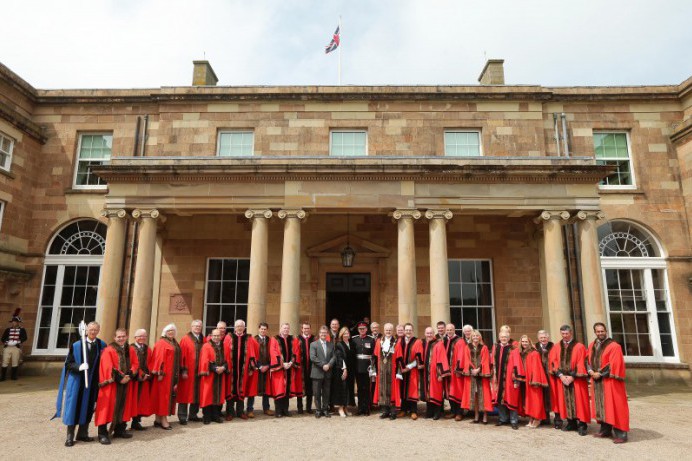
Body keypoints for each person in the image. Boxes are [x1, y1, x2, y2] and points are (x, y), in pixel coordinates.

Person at [54, 321, 106, 447]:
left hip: (93, 382)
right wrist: (79, 366)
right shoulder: (76, 345)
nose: (93, 332)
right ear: (86, 330)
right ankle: (70, 436)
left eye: (95, 330)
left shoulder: (102, 344)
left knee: (88, 407)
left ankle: (83, 433)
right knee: (74, 407)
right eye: (91, 329)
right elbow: (68, 364)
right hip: (78, 381)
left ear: (98, 331)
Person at [94, 328, 138, 444]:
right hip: (112, 385)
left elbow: (135, 363)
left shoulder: (130, 350)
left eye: (123, 336)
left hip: (126, 384)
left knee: (124, 407)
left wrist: (129, 375)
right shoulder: (109, 350)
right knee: (107, 408)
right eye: (119, 337)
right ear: (114, 338)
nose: (121, 338)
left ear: (127, 336)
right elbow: (108, 367)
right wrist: (120, 378)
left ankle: (120, 430)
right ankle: (102, 434)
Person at [588, 322, 630, 444]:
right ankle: (605, 429)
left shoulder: (614, 346)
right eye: (598, 331)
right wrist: (591, 371)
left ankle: (621, 433)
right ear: (595, 332)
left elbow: (614, 364)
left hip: (610, 381)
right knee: (602, 406)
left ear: (606, 331)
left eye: (602, 331)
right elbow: (587, 360)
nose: (600, 333)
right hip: (597, 382)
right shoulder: (592, 345)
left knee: (616, 406)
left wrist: (599, 373)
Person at [548, 324, 591, 436]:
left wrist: (572, 376)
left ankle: (582, 424)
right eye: (563, 334)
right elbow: (553, 361)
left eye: (567, 333)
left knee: (580, 401)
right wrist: (561, 375)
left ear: (571, 333)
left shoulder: (579, 346)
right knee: (564, 401)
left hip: (576, 379)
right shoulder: (557, 347)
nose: (565, 336)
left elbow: (582, 362)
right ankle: (571, 422)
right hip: (562, 379)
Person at [507, 335, 549, 429]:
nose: (524, 343)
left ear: (529, 343)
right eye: (523, 342)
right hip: (524, 380)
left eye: (526, 342)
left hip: (533, 380)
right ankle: (531, 418)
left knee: (535, 400)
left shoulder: (534, 353)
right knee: (528, 401)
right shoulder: (521, 353)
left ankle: (537, 419)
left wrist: (534, 380)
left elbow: (537, 368)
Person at [151, 323, 182, 430]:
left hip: (172, 374)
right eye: (169, 331)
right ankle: (163, 420)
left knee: (165, 396)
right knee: (163, 397)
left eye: (173, 331)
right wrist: (160, 372)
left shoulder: (174, 342)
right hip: (164, 376)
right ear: (165, 332)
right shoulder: (161, 343)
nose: (171, 332)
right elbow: (158, 358)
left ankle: (158, 419)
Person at [460, 330, 493, 424]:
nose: (475, 337)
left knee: (484, 395)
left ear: (480, 337)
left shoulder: (484, 347)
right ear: (471, 337)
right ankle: (476, 415)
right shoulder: (467, 347)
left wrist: (478, 369)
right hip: (471, 375)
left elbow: (485, 360)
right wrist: (472, 369)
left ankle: (485, 416)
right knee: (474, 395)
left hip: (481, 375)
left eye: (477, 336)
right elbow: (466, 359)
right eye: (473, 336)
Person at [199, 329, 231, 424]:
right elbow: (205, 360)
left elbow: (228, 360)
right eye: (215, 336)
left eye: (218, 336)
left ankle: (216, 415)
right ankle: (207, 416)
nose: (216, 337)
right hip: (210, 375)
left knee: (218, 396)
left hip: (220, 375)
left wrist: (224, 367)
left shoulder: (224, 346)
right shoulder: (206, 346)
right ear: (211, 336)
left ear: (221, 336)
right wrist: (215, 368)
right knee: (208, 395)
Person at [228, 319, 258, 420]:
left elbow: (253, 353)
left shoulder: (248, 338)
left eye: (241, 326)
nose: (239, 328)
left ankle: (240, 412)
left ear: (244, 328)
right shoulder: (229, 337)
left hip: (243, 370)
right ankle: (230, 412)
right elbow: (225, 353)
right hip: (231, 370)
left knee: (242, 390)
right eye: (237, 326)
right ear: (234, 327)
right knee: (231, 390)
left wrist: (251, 368)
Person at [269, 322, 299, 417]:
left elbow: (295, 351)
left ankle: (285, 410)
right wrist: (282, 364)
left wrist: (291, 362)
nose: (286, 330)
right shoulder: (275, 339)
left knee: (287, 389)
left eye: (287, 328)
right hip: (279, 370)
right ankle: (278, 411)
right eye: (284, 328)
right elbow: (273, 352)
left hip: (289, 368)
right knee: (279, 390)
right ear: (280, 329)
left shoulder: (292, 339)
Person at [177, 319, 204, 424]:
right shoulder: (185, 339)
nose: (197, 328)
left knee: (197, 393)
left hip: (199, 371)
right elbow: (182, 356)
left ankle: (193, 414)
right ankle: (182, 416)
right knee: (184, 393)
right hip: (188, 371)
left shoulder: (203, 339)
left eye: (199, 326)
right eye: (195, 326)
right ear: (191, 327)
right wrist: (183, 370)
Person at [419, 326, 449, 420]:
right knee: (428, 392)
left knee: (436, 392)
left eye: (431, 333)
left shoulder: (438, 343)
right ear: (425, 334)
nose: (429, 335)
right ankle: (429, 411)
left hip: (435, 373)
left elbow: (442, 358)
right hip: (426, 373)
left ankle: (437, 412)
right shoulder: (423, 343)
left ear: (433, 333)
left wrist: (440, 374)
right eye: (427, 333)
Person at [373, 323, 400, 420]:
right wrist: (374, 370)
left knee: (392, 391)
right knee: (382, 389)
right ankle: (385, 411)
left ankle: (393, 412)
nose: (388, 332)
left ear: (392, 331)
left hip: (392, 371)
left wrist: (398, 372)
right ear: (384, 331)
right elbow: (375, 356)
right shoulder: (379, 342)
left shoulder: (396, 342)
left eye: (390, 330)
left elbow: (399, 358)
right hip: (381, 370)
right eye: (386, 330)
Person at [397, 323, 423, 420]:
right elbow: (398, 355)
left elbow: (419, 357)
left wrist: (409, 366)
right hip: (402, 370)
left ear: (412, 331)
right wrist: (402, 367)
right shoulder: (400, 341)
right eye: (406, 330)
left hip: (412, 370)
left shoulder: (417, 341)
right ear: (404, 331)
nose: (408, 331)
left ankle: (413, 411)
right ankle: (403, 410)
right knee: (403, 389)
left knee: (412, 390)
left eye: (410, 330)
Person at [492, 330, 517, 428]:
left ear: (508, 337)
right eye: (502, 337)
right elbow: (492, 362)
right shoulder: (496, 347)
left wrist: (515, 379)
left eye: (505, 337)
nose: (503, 338)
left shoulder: (513, 349)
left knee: (512, 398)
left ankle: (514, 420)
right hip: (498, 378)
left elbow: (516, 364)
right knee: (499, 399)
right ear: (499, 337)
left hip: (509, 379)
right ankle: (503, 419)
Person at [310, 326, 336, 418]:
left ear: (327, 334)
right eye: (321, 333)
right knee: (316, 393)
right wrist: (323, 365)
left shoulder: (331, 345)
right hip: (317, 372)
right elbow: (313, 357)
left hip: (328, 372)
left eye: (325, 333)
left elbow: (334, 357)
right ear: (319, 334)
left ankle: (325, 410)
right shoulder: (313, 344)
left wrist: (329, 365)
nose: (323, 334)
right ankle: (318, 410)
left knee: (326, 392)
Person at [248, 322, 273, 417]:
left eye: (265, 329)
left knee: (266, 389)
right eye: (261, 329)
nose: (263, 330)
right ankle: (250, 409)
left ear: (267, 330)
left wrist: (268, 366)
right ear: (259, 329)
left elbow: (273, 355)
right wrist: (259, 366)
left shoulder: (270, 340)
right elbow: (252, 354)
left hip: (267, 367)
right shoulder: (253, 340)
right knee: (252, 389)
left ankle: (266, 408)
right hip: (256, 368)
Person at [130, 329, 153, 431]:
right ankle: (123, 424)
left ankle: (136, 422)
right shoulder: (131, 348)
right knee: (132, 401)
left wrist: (148, 374)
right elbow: (132, 364)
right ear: (135, 338)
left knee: (140, 402)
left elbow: (151, 362)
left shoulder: (148, 349)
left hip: (145, 380)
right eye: (139, 336)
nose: (142, 338)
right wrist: (141, 374)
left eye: (144, 336)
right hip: (134, 379)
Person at [352, 320, 375, 416]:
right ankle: (360, 408)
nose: (362, 330)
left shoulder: (371, 339)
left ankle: (367, 408)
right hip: (357, 367)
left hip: (367, 367)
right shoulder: (354, 339)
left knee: (367, 388)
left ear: (366, 329)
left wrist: (372, 366)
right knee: (359, 389)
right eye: (360, 329)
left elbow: (374, 354)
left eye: (363, 329)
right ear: (358, 330)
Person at [536, 329, 558, 427]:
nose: (543, 339)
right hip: (539, 376)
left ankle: (558, 420)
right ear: (538, 338)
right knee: (542, 396)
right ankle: (545, 418)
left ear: (548, 338)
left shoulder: (554, 347)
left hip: (551, 376)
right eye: (541, 337)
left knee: (554, 397)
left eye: (545, 337)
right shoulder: (535, 347)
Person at [441, 323, 463, 420]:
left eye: (451, 330)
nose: (449, 331)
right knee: (449, 391)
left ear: (454, 330)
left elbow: (461, 356)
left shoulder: (459, 340)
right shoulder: (444, 340)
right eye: (448, 330)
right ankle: (453, 411)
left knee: (457, 390)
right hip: (446, 370)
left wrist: (458, 369)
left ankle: (459, 413)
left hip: (455, 370)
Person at [1, 309, 27, 381]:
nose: (14, 323)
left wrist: (19, 341)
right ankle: (3, 377)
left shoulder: (22, 330)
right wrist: (6, 342)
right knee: (5, 361)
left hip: (16, 347)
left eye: (15, 322)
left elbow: (25, 337)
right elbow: (3, 338)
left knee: (15, 361)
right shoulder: (8, 330)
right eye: (13, 322)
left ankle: (13, 376)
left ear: (18, 322)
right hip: (8, 347)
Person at [333, 327, 353, 417]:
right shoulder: (339, 344)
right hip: (342, 370)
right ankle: (340, 408)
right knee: (342, 389)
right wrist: (344, 369)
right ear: (341, 335)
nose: (346, 334)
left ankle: (345, 407)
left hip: (350, 370)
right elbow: (339, 357)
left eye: (347, 333)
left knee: (348, 389)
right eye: (344, 333)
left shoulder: (351, 344)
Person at [296, 322, 316, 414]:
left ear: (310, 329)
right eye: (305, 328)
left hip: (312, 367)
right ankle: (300, 407)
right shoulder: (298, 339)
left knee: (310, 388)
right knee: (300, 387)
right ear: (302, 329)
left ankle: (309, 408)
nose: (306, 330)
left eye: (308, 328)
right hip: (301, 367)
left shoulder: (314, 339)